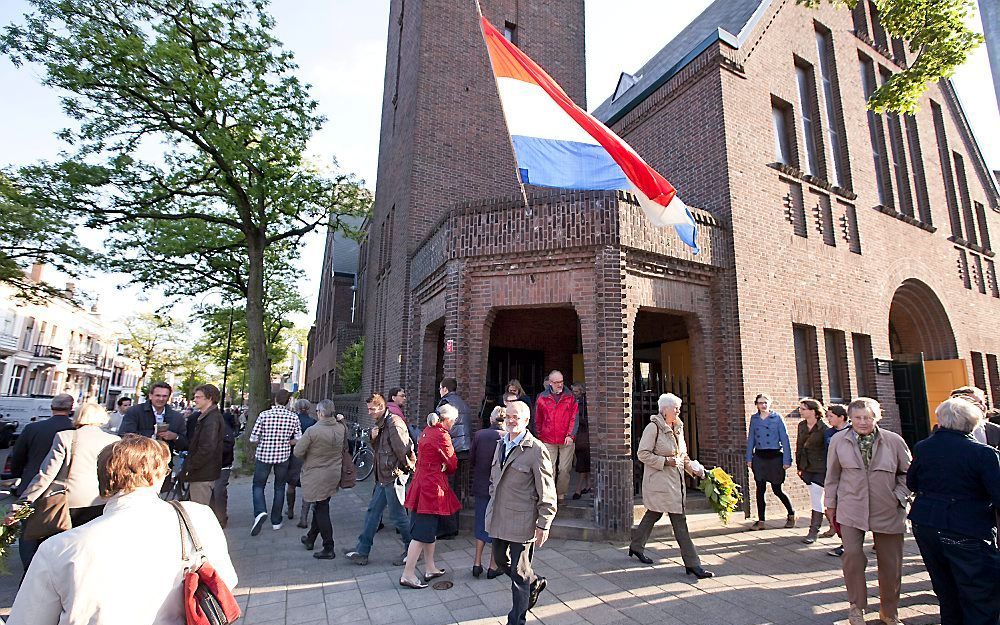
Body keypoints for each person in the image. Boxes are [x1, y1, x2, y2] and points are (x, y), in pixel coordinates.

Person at [6, 435, 237, 625]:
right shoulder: (197, 517)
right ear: (153, 476)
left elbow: (27, 618)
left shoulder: (58, 548)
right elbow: (226, 580)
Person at [907, 397, 1000, 625]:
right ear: (973, 423)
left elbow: (912, 483)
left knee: (946, 589)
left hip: (926, 524)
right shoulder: (983, 453)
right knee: (979, 592)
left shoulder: (924, 447)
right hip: (966, 526)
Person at [825, 397, 911, 625]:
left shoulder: (894, 441)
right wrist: (830, 505)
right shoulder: (838, 441)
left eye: (868, 417)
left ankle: (889, 611)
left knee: (890, 563)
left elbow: (908, 474)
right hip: (851, 507)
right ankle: (856, 607)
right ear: (850, 419)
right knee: (852, 556)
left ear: (876, 418)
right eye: (858, 418)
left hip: (888, 508)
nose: (863, 422)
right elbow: (832, 476)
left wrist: (900, 497)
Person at [7, 403, 120, 573]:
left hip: (67, 502)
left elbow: (46, 474)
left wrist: (23, 502)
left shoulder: (66, 437)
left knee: (56, 552)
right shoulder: (113, 440)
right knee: (84, 552)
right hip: (99, 502)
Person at [629, 393, 713, 578]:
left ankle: (636, 546)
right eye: (675, 408)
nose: (678, 411)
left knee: (653, 514)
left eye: (678, 408)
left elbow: (682, 457)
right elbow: (642, 454)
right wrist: (666, 461)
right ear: (665, 409)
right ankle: (693, 564)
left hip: (675, 483)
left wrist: (695, 469)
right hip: (660, 483)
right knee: (679, 522)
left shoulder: (678, 428)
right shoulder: (653, 428)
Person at [487, 401, 556, 625]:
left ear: (526, 421)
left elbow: (547, 490)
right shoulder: (501, 444)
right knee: (499, 560)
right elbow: (494, 477)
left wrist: (544, 523)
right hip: (499, 517)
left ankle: (516, 619)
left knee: (518, 575)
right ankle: (534, 581)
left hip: (523, 521)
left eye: (516, 416)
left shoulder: (536, 450)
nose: (511, 420)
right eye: (508, 416)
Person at [8, 393, 76, 575]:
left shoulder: (33, 428)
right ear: (71, 408)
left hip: (32, 485)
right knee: (57, 532)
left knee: (28, 532)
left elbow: (17, 456)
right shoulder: (74, 432)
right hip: (62, 491)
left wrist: (18, 476)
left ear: (51, 407)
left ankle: (29, 569)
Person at [345, 393, 416, 566]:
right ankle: (362, 550)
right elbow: (381, 448)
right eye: (368, 409)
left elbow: (404, 449)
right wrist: (373, 437)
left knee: (398, 516)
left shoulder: (393, 423)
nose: (369, 412)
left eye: (372, 409)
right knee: (373, 513)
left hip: (393, 475)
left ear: (382, 407)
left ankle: (412, 551)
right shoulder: (382, 423)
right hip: (384, 476)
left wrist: (407, 469)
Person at [399, 406, 462, 589]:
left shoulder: (427, 430)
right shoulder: (442, 435)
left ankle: (430, 567)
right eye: (454, 420)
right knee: (420, 534)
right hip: (431, 488)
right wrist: (445, 465)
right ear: (447, 419)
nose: (454, 424)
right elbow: (452, 463)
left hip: (421, 484)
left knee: (429, 530)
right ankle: (408, 574)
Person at [295, 399, 347, 560]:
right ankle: (310, 538)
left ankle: (328, 546)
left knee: (321, 509)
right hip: (334, 473)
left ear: (320, 413)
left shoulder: (312, 431)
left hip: (316, 474)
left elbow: (298, 451)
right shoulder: (340, 428)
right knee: (321, 504)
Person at [248, 389, 302, 535]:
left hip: (263, 455)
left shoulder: (264, 415)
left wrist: (263, 440)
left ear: (275, 400)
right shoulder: (293, 417)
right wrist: (288, 442)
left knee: (258, 485)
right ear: (288, 401)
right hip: (283, 456)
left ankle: (260, 511)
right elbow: (299, 438)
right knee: (279, 487)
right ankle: (276, 521)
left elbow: (253, 438)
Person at [745, 393, 795, 529]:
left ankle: (791, 514)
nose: (763, 405)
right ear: (756, 404)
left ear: (770, 403)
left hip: (774, 457)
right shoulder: (754, 419)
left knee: (777, 489)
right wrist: (749, 458)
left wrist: (787, 460)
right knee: (760, 490)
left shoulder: (777, 418)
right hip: (760, 457)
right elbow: (751, 439)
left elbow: (785, 439)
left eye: (766, 402)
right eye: (760, 403)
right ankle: (761, 521)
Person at [533, 370, 579, 501]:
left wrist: (570, 435)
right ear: (550, 383)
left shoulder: (571, 397)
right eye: (556, 382)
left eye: (561, 382)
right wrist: (539, 437)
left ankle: (561, 494)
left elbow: (574, 418)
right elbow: (537, 419)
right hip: (547, 438)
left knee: (564, 469)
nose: (560, 385)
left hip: (566, 439)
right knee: (548, 469)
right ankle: (550, 496)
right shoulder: (542, 397)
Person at [471, 406, 504, 579]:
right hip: (498, 488)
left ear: (491, 419)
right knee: (495, 527)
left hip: (481, 485)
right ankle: (493, 566)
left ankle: (477, 563)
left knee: (480, 523)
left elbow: (472, 459)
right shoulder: (505, 437)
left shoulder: (480, 435)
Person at [182, 384, 227, 508]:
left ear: (210, 398)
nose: (195, 400)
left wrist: (191, 466)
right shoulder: (208, 417)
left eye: (198, 397)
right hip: (204, 472)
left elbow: (207, 448)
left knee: (199, 511)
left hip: (202, 474)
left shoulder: (211, 419)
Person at [795, 397, 829, 544]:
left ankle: (813, 530)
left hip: (820, 468)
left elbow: (827, 450)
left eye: (803, 409)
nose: (800, 411)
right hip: (806, 467)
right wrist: (799, 466)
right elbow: (799, 446)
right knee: (818, 497)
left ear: (813, 411)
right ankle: (833, 525)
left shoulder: (824, 428)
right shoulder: (801, 426)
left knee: (816, 497)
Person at [118, 382, 186, 447]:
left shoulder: (177, 417)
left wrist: (175, 437)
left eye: (165, 396)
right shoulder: (134, 411)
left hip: (164, 457)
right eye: (157, 395)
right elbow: (124, 435)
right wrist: (152, 435)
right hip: (139, 456)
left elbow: (185, 444)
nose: (161, 399)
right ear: (150, 396)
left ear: (169, 397)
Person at [822, 404, 850, 554]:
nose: (828, 419)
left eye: (831, 416)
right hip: (834, 476)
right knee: (838, 511)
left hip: (850, 477)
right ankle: (845, 543)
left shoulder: (853, 432)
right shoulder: (828, 433)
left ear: (841, 417)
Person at [287, 398, 317, 527]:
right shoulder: (313, 422)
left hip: (293, 456)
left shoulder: (292, 421)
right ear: (308, 408)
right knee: (307, 486)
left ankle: (290, 510)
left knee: (291, 485)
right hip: (309, 457)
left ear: (297, 408)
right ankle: (304, 518)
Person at [570, 382, 591, 500]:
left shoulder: (582, 404)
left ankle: (578, 489)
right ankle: (588, 485)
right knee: (584, 461)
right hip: (580, 435)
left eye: (576, 392)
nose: (574, 394)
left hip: (582, 436)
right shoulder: (576, 402)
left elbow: (584, 420)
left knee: (582, 463)